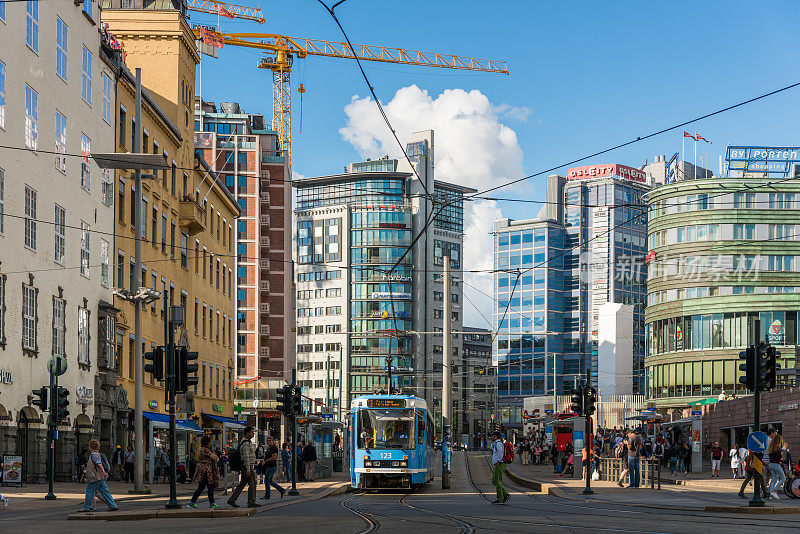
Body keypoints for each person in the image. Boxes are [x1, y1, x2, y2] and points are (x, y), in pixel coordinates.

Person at [78, 439, 118, 512]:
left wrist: (103, 471)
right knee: (104, 491)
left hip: (95, 477)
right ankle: (113, 505)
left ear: (90, 447)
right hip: (100, 477)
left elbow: (99, 463)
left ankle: (86, 507)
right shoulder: (98, 454)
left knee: (89, 491)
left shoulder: (94, 455)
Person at [227, 426, 260, 508]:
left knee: (242, 483)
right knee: (252, 484)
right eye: (252, 432)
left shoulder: (247, 442)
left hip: (246, 466)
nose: (253, 434)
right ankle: (251, 501)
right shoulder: (245, 443)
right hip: (247, 466)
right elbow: (246, 457)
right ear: (247, 433)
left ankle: (232, 499)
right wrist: (248, 469)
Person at [187, 435, 220, 509]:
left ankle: (192, 502)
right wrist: (214, 454)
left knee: (201, 487)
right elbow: (215, 457)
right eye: (210, 442)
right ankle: (212, 503)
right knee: (209, 486)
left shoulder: (202, 449)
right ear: (208, 443)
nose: (211, 443)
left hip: (203, 471)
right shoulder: (205, 450)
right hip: (206, 471)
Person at [490, 431, 510, 504]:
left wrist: (498, 462)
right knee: (495, 481)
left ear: (495, 437)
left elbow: (500, 453)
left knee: (497, 481)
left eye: (492, 436)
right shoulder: (496, 444)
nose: (491, 437)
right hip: (498, 464)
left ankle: (501, 498)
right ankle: (504, 494)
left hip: (500, 464)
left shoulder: (499, 444)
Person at [767, 429, 786, 500]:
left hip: (771, 464)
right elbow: (779, 457)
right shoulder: (778, 448)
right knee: (783, 478)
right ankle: (774, 491)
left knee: (774, 479)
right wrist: (782, 452)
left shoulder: (771, 448)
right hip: (776, 464)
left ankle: (771, 495)